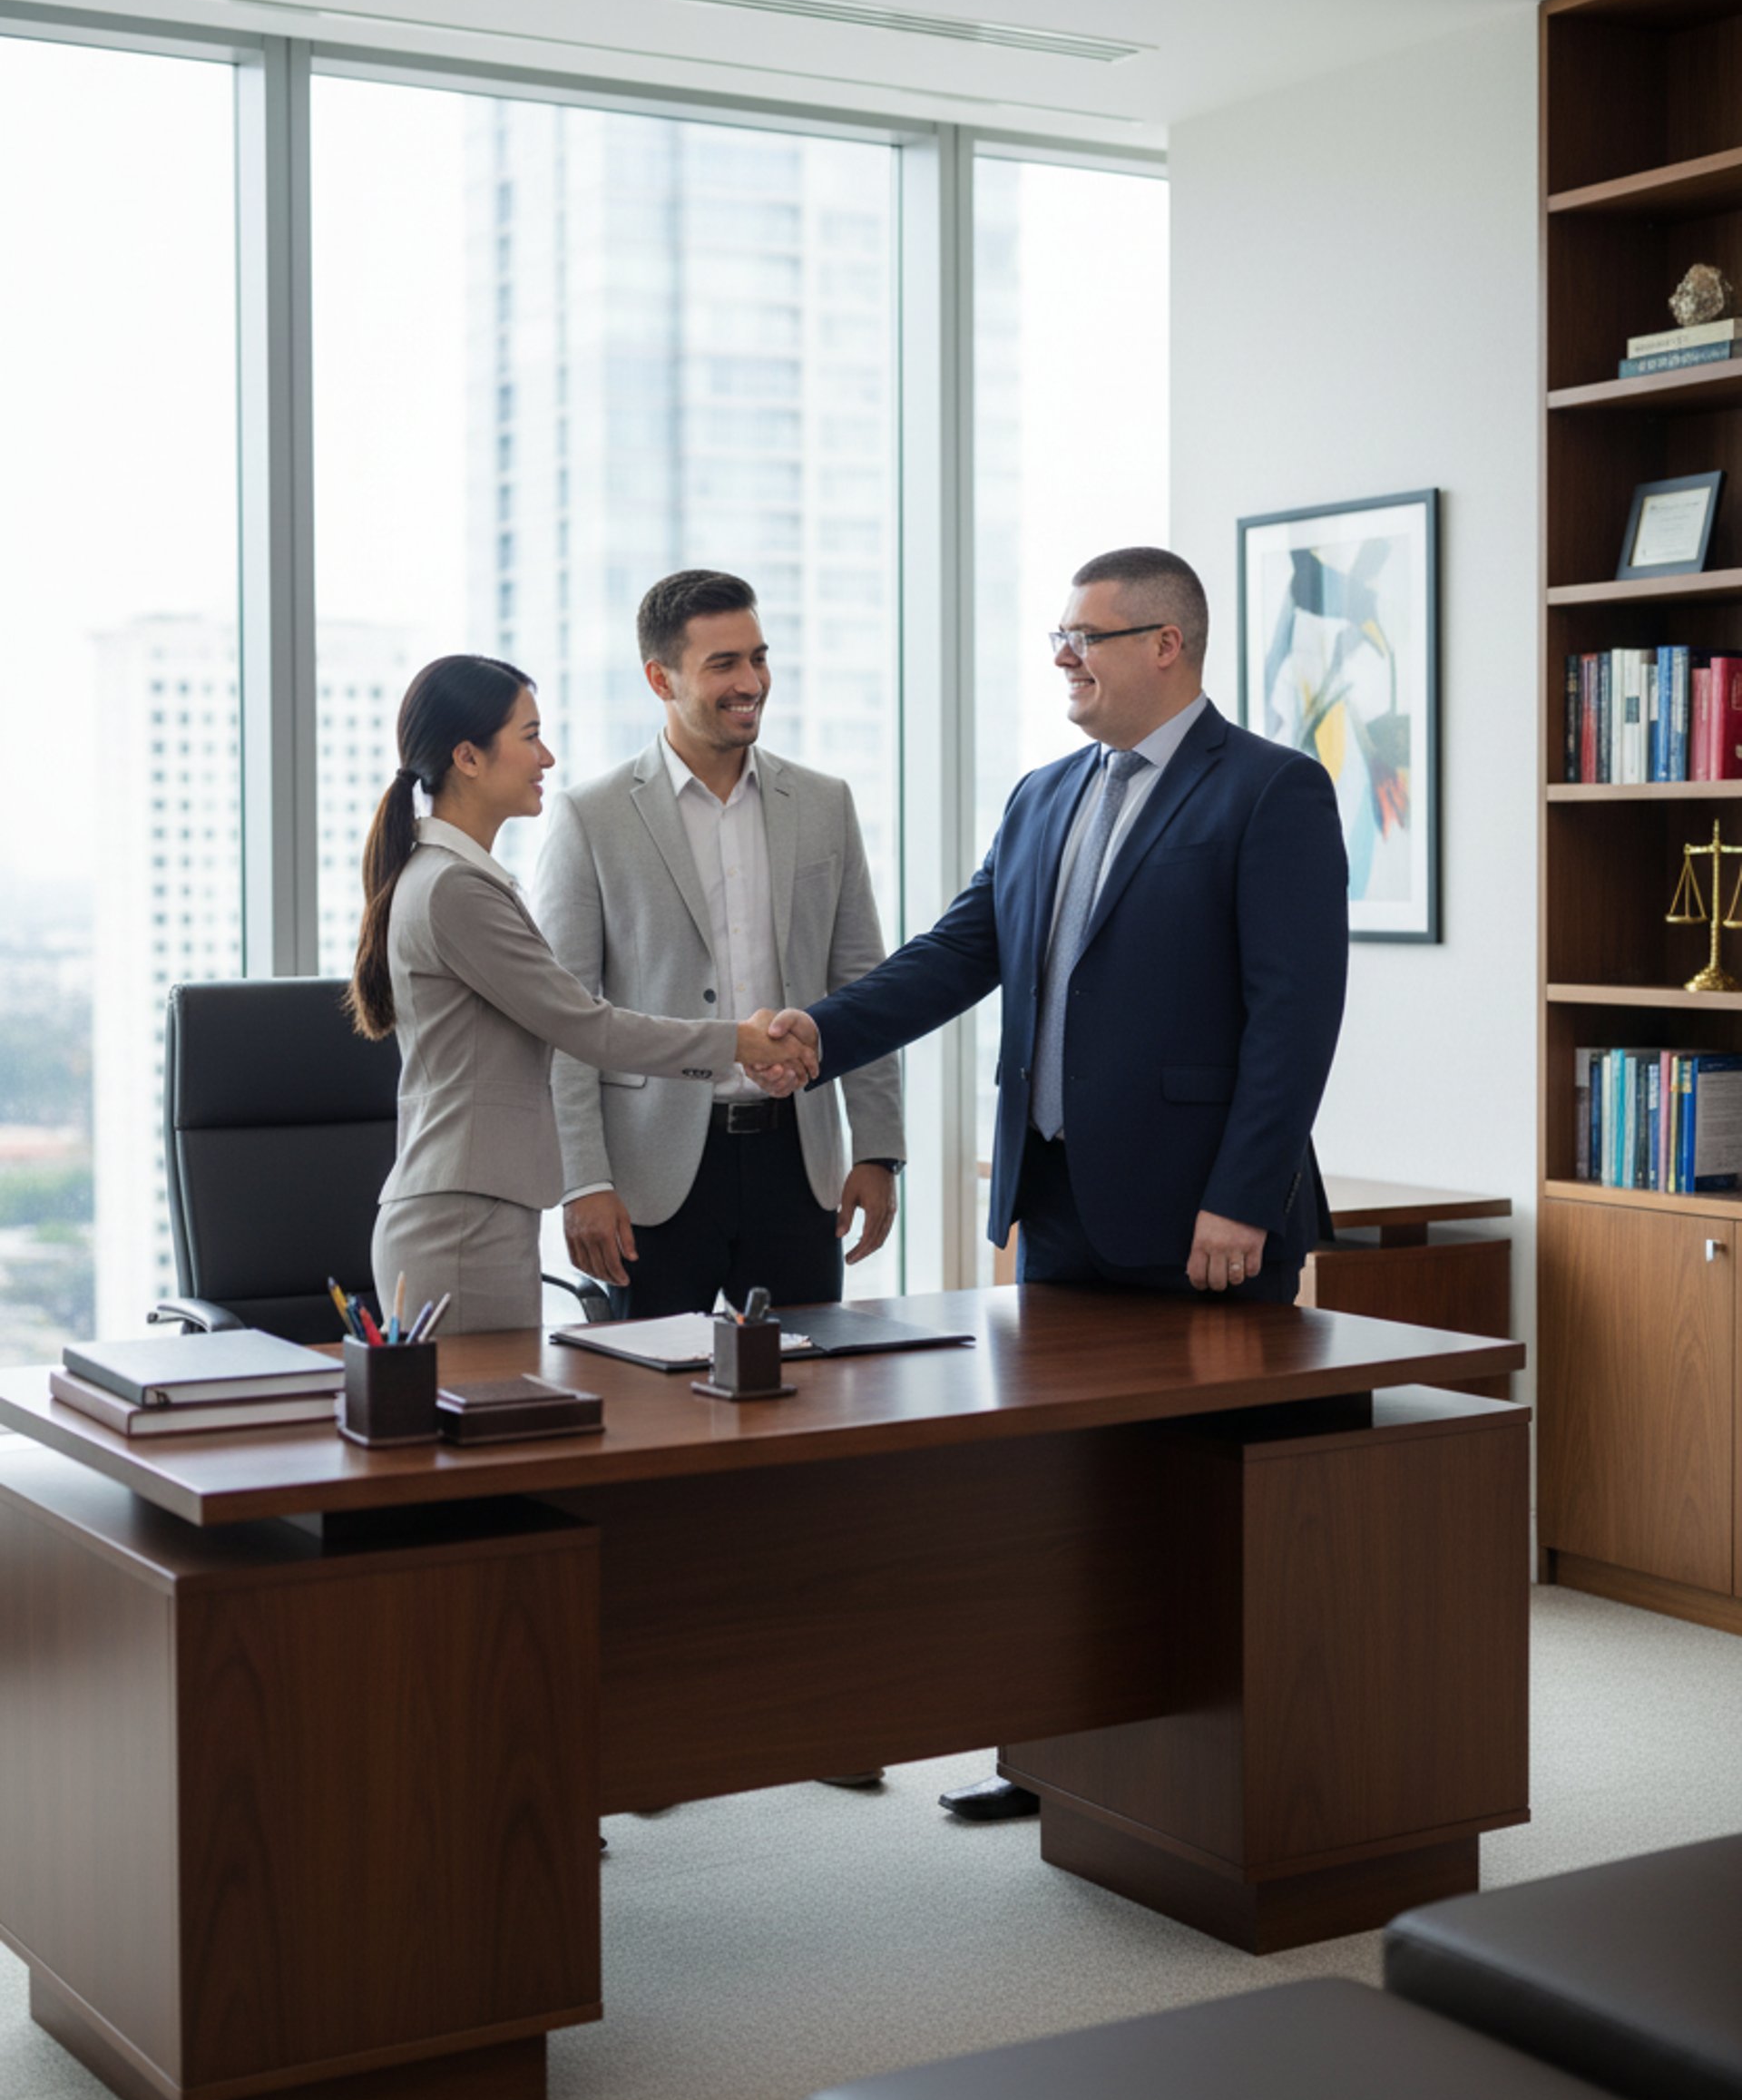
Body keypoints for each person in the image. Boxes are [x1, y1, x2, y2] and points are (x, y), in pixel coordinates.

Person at [768, 546, 1349, 1820]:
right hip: (1061, 1205)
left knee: (1207, 1502)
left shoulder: (1271, 791)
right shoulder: (1044, 795)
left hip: (1209, 1215)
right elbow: (959, 953)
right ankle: (1050, 1759)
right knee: (1063, 1500)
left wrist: (1244, 1195)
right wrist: (822, 1034)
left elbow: (1294, 1018)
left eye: (1090, 636)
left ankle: (1229, 1776)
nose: (1065, 659)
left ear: (1169, 646)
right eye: (1060, 637)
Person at [347, 652, 813, 1335]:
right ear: (468, 758)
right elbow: (585, 1026)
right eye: (529, 736)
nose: (548, 757)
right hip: (461, 1222)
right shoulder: (454, 889)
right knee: (485, 1438)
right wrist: (736, 1043)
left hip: (475, 1208)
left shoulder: (454, 878)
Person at [533, 571, 905, 1321]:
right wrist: (583, 1181)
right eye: (723, 665)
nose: (752, 683)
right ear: (659, 678)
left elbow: (861, 982)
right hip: (651, 1177)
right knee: (649, 1414)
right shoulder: (590, 816)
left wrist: (877, 1148)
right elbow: (565, 1021)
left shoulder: (825, 803)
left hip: (797, 1165)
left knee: (806, 1398)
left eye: (758, 657)